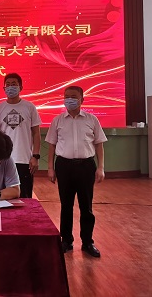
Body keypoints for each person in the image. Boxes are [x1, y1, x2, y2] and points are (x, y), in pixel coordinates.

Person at [45, 85, 106, 258]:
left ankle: (87, 242)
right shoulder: (58, 120)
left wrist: (100, 167)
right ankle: (66, 240)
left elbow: (99, 144)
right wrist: (50, 168)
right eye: (66, 96)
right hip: (64, 166)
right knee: (66, 205)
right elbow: (52, 146)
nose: (69, 99)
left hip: (86, 166)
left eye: (73, 96)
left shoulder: (92, 119)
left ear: (82, 100)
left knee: (86, 206)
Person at [0, 73, 41, 198]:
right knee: (3, 196)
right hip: (3, 160)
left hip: (24, 159)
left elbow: (36, 133)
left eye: (13, 84)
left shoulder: (29, 107)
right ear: (4, 88)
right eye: (7, 84)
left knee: (25, 197)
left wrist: (35, 156)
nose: (10, 87)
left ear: (21, 87)